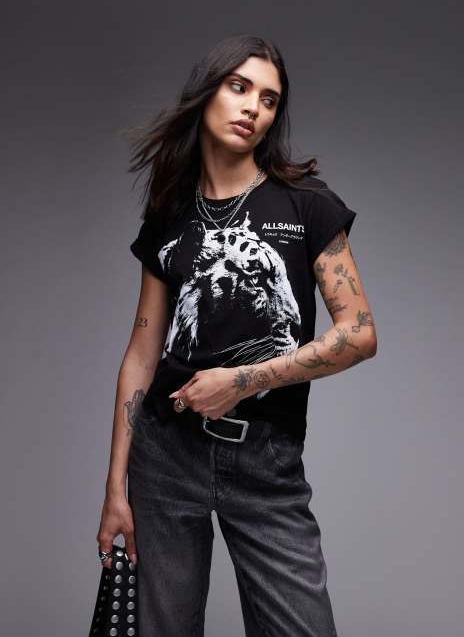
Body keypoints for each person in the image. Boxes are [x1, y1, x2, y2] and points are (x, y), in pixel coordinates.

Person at [96, 33, 377, 637]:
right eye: (239, 87)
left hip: (265, 457)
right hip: (165, 457)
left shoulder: (306, 204)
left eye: (269, 99)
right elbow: (142, 354)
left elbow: (359, 334)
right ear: (207, 94)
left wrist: (242, 381)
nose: (253, 107)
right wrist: (115, 488)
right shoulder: (169, 214)